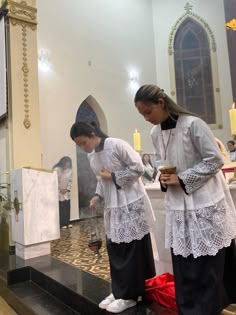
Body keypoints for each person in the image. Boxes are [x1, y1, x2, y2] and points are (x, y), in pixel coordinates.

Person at [134, 84, 236, 315]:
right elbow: (160, 160)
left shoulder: (193, 124)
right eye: (142, 114)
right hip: (178, 205)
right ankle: (189, 308)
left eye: (148, 112)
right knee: (184, 262)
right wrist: (164, 177)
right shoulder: (154, 132)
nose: (146, 118)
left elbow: (214, 160)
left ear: (161, 103)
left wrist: (183, 179)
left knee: (206, 265)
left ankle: (207, 309)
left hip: (205, 202)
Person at [70, 121, 156, 314]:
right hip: (113, 206)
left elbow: (139, 168)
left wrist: (114, 176)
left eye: (84, 143)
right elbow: (101, 178)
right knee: (116, 249)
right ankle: (119, 291)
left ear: (92, 134)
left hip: (131, 202)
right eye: (79, 145)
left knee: (132, 250)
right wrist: (97, 195)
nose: (83, 148)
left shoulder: (117, 144)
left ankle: (131, 295)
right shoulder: (93, 155)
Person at [53, 156, 73, 229]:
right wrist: (60, 189)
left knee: (67, 207)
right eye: (65, 164)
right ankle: (61, 224)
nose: (66, 166)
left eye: (68, 164)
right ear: (62, 163)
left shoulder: (70, 170)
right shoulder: (56, 170)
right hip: (59, 192)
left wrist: (67, 189)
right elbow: (55, 181)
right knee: (61, 208)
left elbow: (70, 180)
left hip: (66, 192)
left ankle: (67, 222)